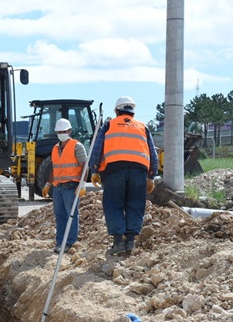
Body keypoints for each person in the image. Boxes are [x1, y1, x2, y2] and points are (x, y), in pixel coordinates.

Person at [88, 96, 158, 255]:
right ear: (132, 111)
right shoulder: (143, 127)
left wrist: (94, 170)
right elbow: (152, 153)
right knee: (135, 203)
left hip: (114, 171)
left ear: (116, 111)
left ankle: (118, 242)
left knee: (114, 204)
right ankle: (131, 242)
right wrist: (151, 176)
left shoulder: (109, 125)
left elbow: (97, 148)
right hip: (139, 171)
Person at [42, 118, 88, 253]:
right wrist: (48, 184)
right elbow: (54, 168)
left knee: (71, 215)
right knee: (60, 215)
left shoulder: (77, 146)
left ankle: (69, 242)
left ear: (69, 131)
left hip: (71, 187)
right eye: (59, 131)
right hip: (58, 187)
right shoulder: (55, 148)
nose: (62, 133)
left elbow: (85, 166)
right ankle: (59, 242)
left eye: (64, 131)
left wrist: (83, 185)